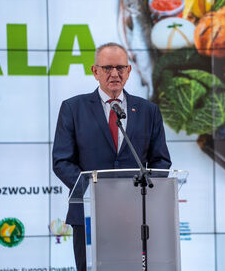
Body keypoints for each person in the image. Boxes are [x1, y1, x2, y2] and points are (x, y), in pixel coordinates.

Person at [52, 42, 172, 271]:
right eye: (107, 68)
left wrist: (140, 191)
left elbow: (161, 161)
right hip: (89, 212)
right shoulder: (73, 108)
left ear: (128, 71)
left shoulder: (148, 110)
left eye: (120, 68)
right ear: (95, 71)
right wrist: (96, 192)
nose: (114, 74)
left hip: (137, 213)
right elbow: (61, 161)